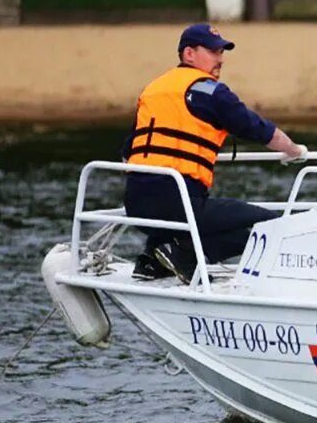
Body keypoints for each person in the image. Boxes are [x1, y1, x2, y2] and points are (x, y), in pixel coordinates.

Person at [122, 23, 306, 283]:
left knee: (201, 216)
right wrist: (294, 150)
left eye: (221, 53)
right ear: (189, 54)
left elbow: (128, 151)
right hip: (179, 202)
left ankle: (154, 259)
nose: (220, 60)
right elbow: (258, 129)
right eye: (213, 52)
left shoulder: (151, 90)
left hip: (137, 205)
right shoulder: (210, 91)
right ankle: (183, 254)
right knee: (269, 224)